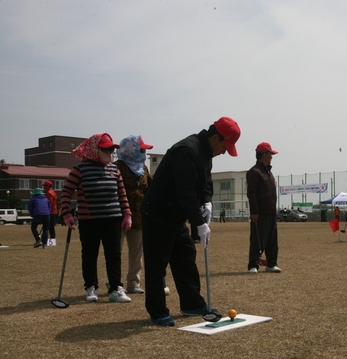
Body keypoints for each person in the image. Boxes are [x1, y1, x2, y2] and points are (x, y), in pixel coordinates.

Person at [141, 117, 241, 327]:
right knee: (157, 265)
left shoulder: (206, 153)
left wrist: (207, 202)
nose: (224, 151)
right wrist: (199, 223)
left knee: (186, 259)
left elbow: (204, 184)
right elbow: (185, 192)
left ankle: (192, 304)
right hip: (158, 214)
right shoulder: (186, 151)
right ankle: (158, 312)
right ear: (215, 137)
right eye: (225, 145)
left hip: (176, 215)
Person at [61, 133, 133, 303]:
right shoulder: (79, 169)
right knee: (89, 254)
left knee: (114, 255)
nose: (110, 153)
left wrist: (127, 214)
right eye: (105, 149)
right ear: (95, 149)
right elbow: (66, 192)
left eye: (111, 150)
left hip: (113, 219)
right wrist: (67, 213)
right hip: (89, 220)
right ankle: (91, 287)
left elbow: (122, 194)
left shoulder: (114, 169)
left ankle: (116, 288)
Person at [115, 135, 154, 295]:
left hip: (139, 217)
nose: (144, 152)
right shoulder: (117, 166)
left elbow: (150, 189)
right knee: (115, 252)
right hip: (119, 216)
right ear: (131, 149)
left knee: (137, 252)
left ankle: (133, 283)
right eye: (142, 149)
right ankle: (115, 283)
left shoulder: (143, 168)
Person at [247, 142, 281, 274]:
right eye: (270, 154)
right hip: (260, 213)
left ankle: (271, 263)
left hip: (271, 211)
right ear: (263, 155)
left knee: (272, 240)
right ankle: (253, 264)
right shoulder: (254, 172)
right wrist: (254, 212)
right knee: (257, 239)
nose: (272, 156)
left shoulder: (269, 173)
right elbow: (252, 193)